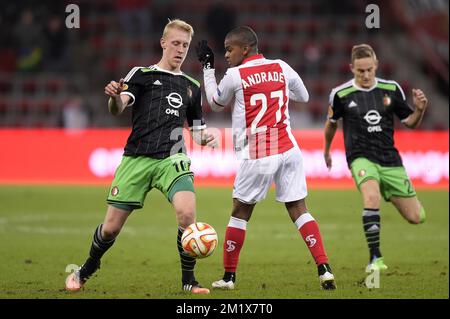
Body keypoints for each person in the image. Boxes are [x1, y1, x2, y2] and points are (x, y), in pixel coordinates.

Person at [65, 19, 217, 294]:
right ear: (163, 43)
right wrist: (114, 97)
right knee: (110, 229)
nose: (180, 49)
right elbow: (118, 107)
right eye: (175, 43)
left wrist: (206, 138)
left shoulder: (192, 85)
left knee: (187, 215)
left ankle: (189, 281)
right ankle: (85, 269)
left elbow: (196, 131)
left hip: (173, 158)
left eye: (185, 45)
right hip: (137, 158)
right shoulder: (142, 74)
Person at [196, 26, 336, 290]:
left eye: (229, 49)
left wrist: (207, 69)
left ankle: (228, 278)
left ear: (245, 48)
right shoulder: (281, 67)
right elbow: (304, 96)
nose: (225, 55)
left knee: (240, 211)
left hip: (259, 150)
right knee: (299, 209)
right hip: (289, 148)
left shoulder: (235, 75)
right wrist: (279, 92)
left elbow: (215, 103)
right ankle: (324, 269)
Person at [323, 44, 428, 271]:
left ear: (376, 65)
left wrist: (419, 110)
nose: (366, 75)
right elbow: (331, 125)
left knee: (416, 216)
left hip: (390, 160)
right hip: (360, 157)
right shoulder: (340, 94)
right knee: (371, 198)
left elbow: (409, 122)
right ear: (352, 68)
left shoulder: (391, 89)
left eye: (369, 69)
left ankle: (392, 191)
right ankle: (375, 259)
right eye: (360, 71)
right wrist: (326, 150)